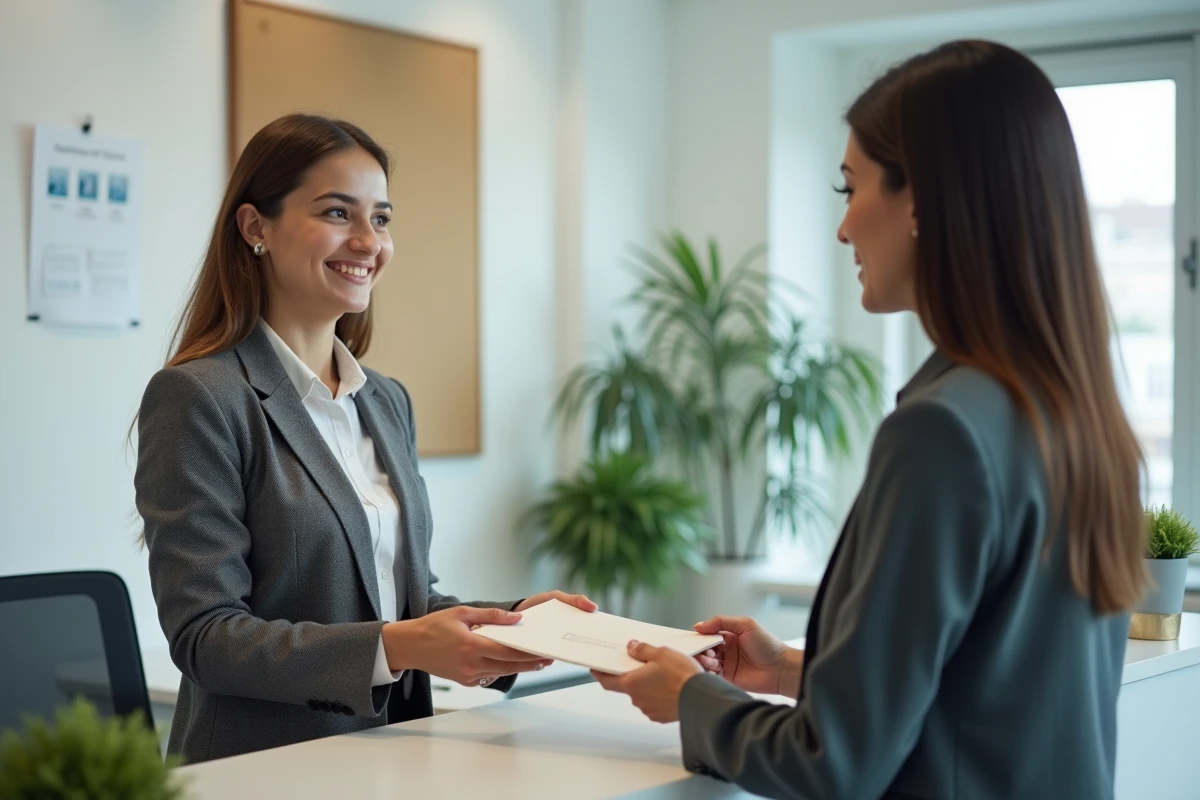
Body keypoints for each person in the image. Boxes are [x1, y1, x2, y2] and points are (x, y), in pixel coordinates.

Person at [593, 40, 1147, 799]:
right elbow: (995, 691)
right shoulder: (1082, 419)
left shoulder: (944, 433)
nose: (843, 228)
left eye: (849, 188)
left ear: (920, 200)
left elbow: (835, 766)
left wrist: (690, 699)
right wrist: (793, 670)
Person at [135, 113, 595, 764]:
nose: (366, 241)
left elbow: (405, 599)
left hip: (393, 756)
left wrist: (517, 621)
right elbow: (207, 637)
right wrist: (403, 645)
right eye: (336, 213)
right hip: (260, 770)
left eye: (380, 218)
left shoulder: (384, 401)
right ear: (254, 227)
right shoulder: (201, 397)